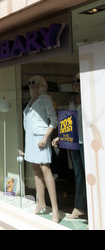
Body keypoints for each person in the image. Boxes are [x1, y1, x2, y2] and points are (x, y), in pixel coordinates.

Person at [23, 75, 59, 223]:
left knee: (45, 169)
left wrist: (45, 138)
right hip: (30, 139)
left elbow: (54, 120)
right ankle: (41, 203)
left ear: (41, 85)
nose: (32, 86)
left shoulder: (46, 99)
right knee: (36, 171)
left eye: (35, 83)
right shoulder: (30, 102)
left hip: (40, 138)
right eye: (30, 83)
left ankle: (55, 210)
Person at [52, 72, 87, 220]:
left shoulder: (91, 98)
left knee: (92, 174)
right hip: (75, 141)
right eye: (74, 80)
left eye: (78, 80)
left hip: (89, 142)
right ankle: (80, 207)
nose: (75, 83)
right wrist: (61, 136)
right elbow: (70, 122)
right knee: (79, 175)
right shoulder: (72, 100)